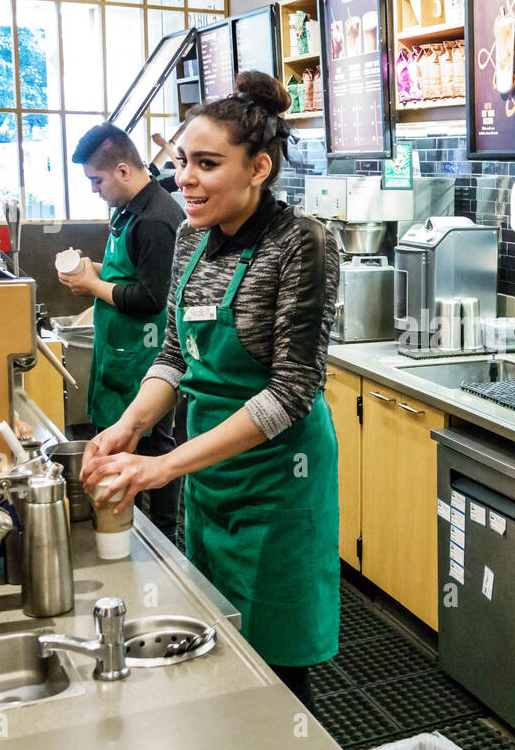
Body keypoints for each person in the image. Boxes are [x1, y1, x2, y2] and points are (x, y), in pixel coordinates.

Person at [80, 72, 341, 712]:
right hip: (213, 474)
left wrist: (164, 464)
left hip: (278, 479)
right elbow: (175, 355)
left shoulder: (301, 243)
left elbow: (290, 393)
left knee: (278, 661)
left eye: (207, 164)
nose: (186, 180)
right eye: (181, 163)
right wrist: (129, 428)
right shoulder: (192, 239)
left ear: (259, 167)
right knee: (217, 639)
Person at [64, 123, 184, 545]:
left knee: (153, 443)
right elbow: (125, 273)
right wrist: (90, 271)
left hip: (145, 355)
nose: (94, 189)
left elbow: (152, 297)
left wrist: (92, 287)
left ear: (122, 170)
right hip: (118, 348)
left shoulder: (157, 219)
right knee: (123, 441)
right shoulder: (127, 210)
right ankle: (128, 527)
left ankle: (164, 535)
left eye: (96, 181)